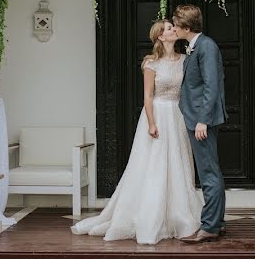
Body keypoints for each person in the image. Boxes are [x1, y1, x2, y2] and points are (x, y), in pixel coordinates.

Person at [70, 20, 202, 244]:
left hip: (177, 116)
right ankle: (150, 215)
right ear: (160, 36)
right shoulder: (151, 63)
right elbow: (148, 96)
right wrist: (151, 123)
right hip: (158, 113)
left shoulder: (185, 60)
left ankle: (178, 214)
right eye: (169, 28)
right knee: (155, 163)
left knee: (178, 162)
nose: (173, 30)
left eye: (173, 27)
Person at [173, 4, 228, 244]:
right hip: (196, 117)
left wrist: (202, 120)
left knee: (208, 173)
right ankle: (217, 222)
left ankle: (209, 227)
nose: (174, 29)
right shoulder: (196, 46)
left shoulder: (206, 47)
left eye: (175, 25)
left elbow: (211, 86)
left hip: (201, 120)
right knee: (210, 171)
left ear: (186, 27)